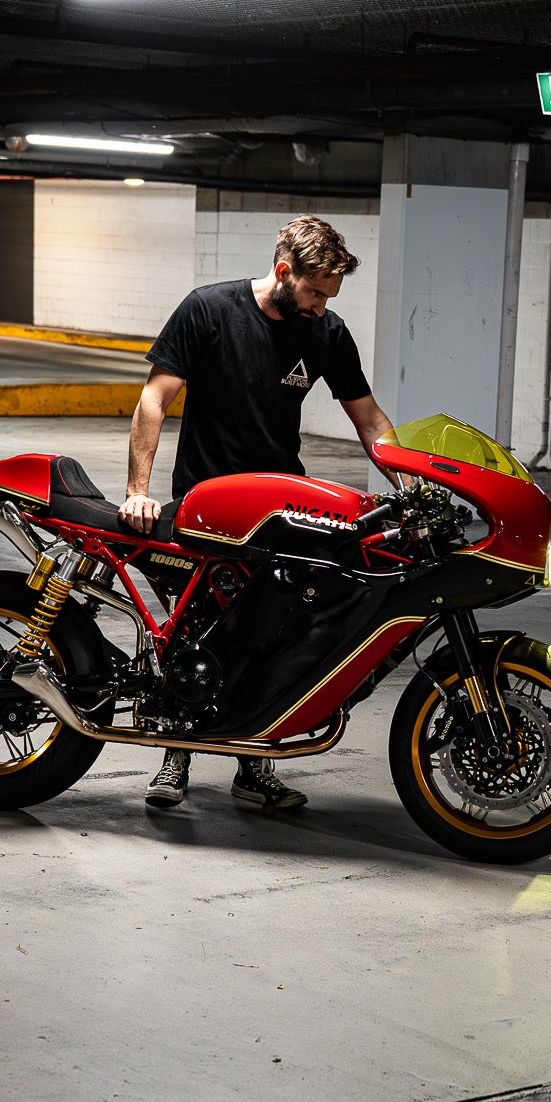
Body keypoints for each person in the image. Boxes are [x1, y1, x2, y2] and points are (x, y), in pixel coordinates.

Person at [121, 214, 395, 812]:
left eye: (330, 296)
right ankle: (175, 755)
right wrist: (139, 490)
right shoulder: (208, 310)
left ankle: (254, 765)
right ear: (283, 271)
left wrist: (409, 484)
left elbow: (370, 419)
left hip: (279, 514)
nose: (322, 306)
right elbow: (154, 398)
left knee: (271, 636)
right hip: (204, 506)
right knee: (195, 632)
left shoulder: (326, 333)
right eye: (315, 292)